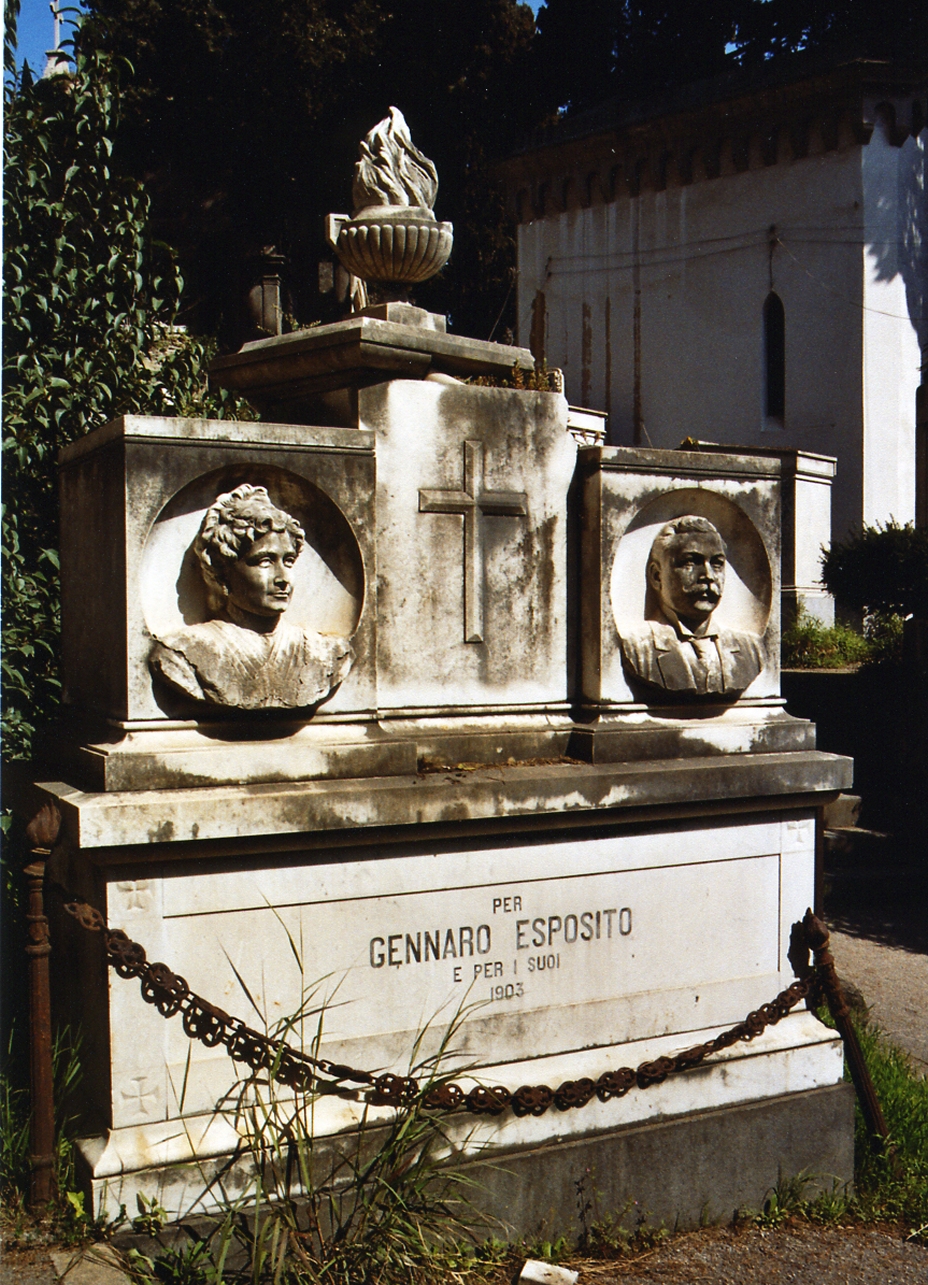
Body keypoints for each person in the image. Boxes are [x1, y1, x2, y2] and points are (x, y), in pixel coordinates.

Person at [150, 485, 354, 709]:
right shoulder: (183, 652)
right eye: (264, 561)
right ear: (223, 569)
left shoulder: (328, 653)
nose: (283, 578)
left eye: (288, 561)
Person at [619, 515, 767, 697]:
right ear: (657, 576)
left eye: (717, 564)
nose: (708, 575)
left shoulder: (751, 649)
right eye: (690, 562)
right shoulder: (638, 649)